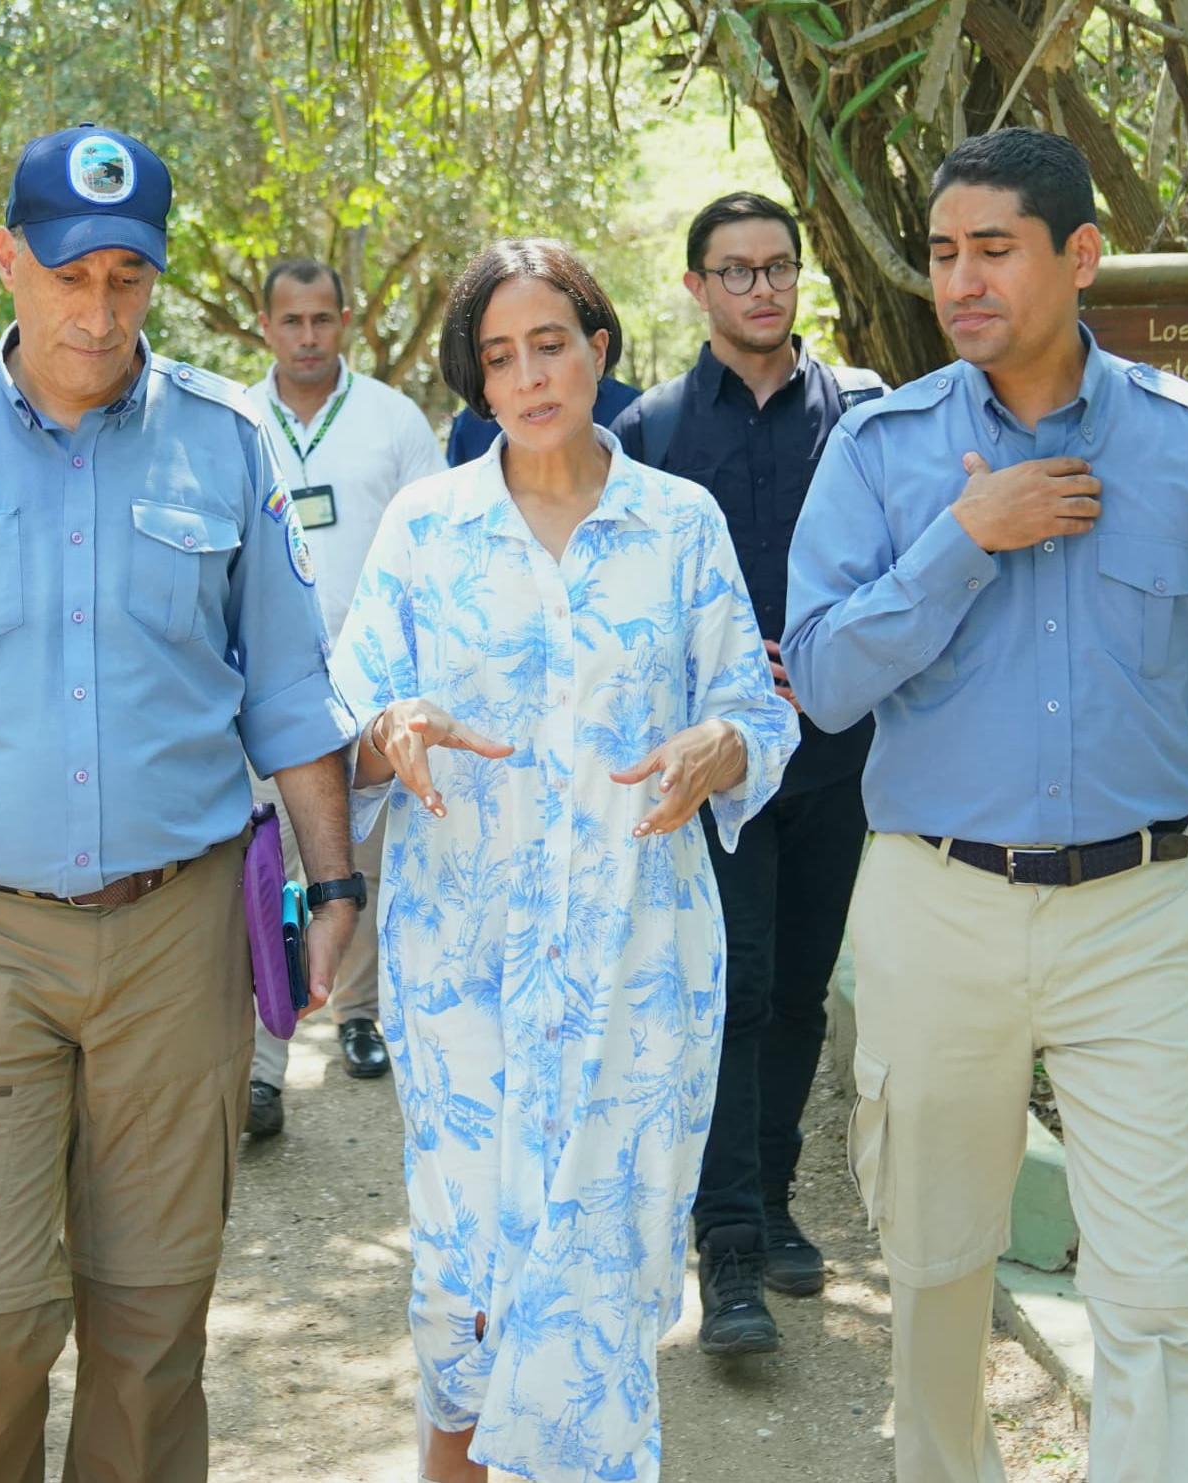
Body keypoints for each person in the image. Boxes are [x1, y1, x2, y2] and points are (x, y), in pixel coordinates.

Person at [0, 124, 360, 1483]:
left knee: (152, 1330)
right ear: (5, 264)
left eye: (127, 279)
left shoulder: (223, 442)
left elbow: (287, 687)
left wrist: (333, 886)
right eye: (67, 275)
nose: (97, 313)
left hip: (176, 933)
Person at [783, 128, 1188, 1483]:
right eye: (943, 253)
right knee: (937, 1268)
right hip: (933, 900)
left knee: (1149, 1289)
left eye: (992, 249)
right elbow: (825, 680)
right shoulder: (880, 449)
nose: (958, 280)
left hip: (1135, 910)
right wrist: (961, 541)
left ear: (1077, 256)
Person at [335, 238, 794, 1483]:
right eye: (499, 356)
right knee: (467, 1280)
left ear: (598, 349)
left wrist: (719, 747)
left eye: (551, 343)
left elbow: (762, 719)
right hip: (460, 963)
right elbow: (346, 722)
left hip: (636, 968)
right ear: (474, 384)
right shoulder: (424, 529)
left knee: (597, 1276)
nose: (530, 374)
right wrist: (387, 733)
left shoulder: (677, 524)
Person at [605, 191, 888, 1356]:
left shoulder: (866, 420)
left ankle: (768, 1202)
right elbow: (622, 597)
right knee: (727, 988)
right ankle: (721, 1245)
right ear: (695, 289)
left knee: (795, 993)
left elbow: (900, 564)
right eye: (734, 271)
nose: (759, 288)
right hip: (709, 771)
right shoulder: (651, 429)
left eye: (775, 268)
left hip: (835, 756)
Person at [238, 253, 444, 1138]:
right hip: (258, 689)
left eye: (323, 319)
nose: (308, 336)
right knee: (258, 871)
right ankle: (260, 1067)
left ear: (347, 322)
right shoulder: (235, 420)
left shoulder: (393, 422)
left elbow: (434, 546)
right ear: (265, 327)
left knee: (360, 858)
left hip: (371, 688)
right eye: (292, 321)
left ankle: (358, 1015)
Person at [443, 367, 636, 465]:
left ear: (598, 350)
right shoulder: (470, 425)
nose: (528, 379)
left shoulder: (633, 411)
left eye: (550, 347)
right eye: (500, 358)